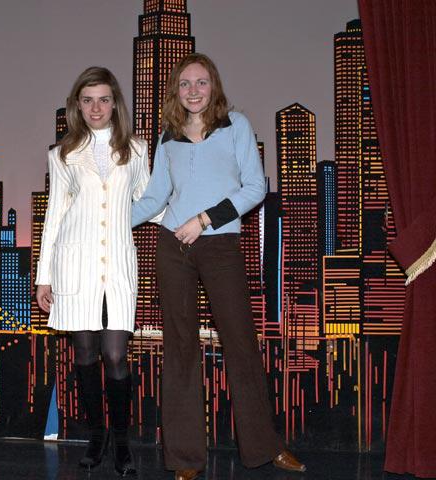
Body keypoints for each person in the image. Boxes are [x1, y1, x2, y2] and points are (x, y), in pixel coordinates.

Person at [132, 53, 306, 480]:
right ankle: (184, 458)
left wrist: (206, 218)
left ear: (214, 86)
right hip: (173, 245)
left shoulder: (235, 126)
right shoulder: (168, 137)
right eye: (185, 83)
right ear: (175, 90)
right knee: (180, 348)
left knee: (241, 344)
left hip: (220, 244)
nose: (193, 90)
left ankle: (265, 448)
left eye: (201, 82)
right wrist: (105, 220)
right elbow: (155, 197)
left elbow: (255, 187)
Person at [35, 66, 149, 477]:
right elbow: (54, 215)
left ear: (115, 103)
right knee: (84, 354)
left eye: (103, 99)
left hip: (117, 262)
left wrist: (189, 223)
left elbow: (148, 202)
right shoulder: (62, 154)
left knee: (115, 354)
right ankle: (95, 437)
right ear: (77, 106)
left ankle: (122, 442)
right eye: (87, 100)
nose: (96, 108)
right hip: (74, 264)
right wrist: (43, 276)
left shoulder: (137, 149)